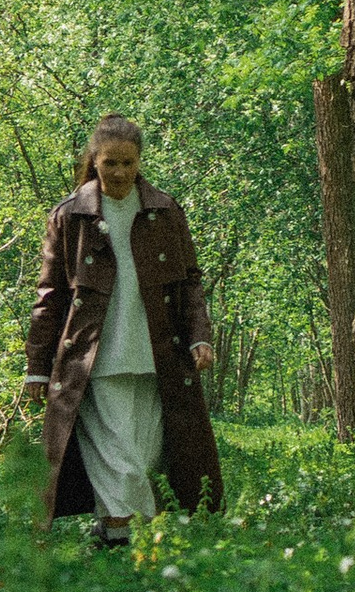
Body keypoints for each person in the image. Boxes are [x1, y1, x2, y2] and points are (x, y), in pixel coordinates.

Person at [23, 113, 224, 542]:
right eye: (110, 163)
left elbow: (189, 281)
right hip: (93, 359)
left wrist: (199, 335)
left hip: (159, 356)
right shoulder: (69, 216)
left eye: (128, 163)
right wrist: (38, 366)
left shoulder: (165, 211)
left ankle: (114, 538)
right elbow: (49, 296)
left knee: (146, 460)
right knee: (122, 463)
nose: (119, 173)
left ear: (139, 162)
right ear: (94, 160)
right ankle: (122, 543)